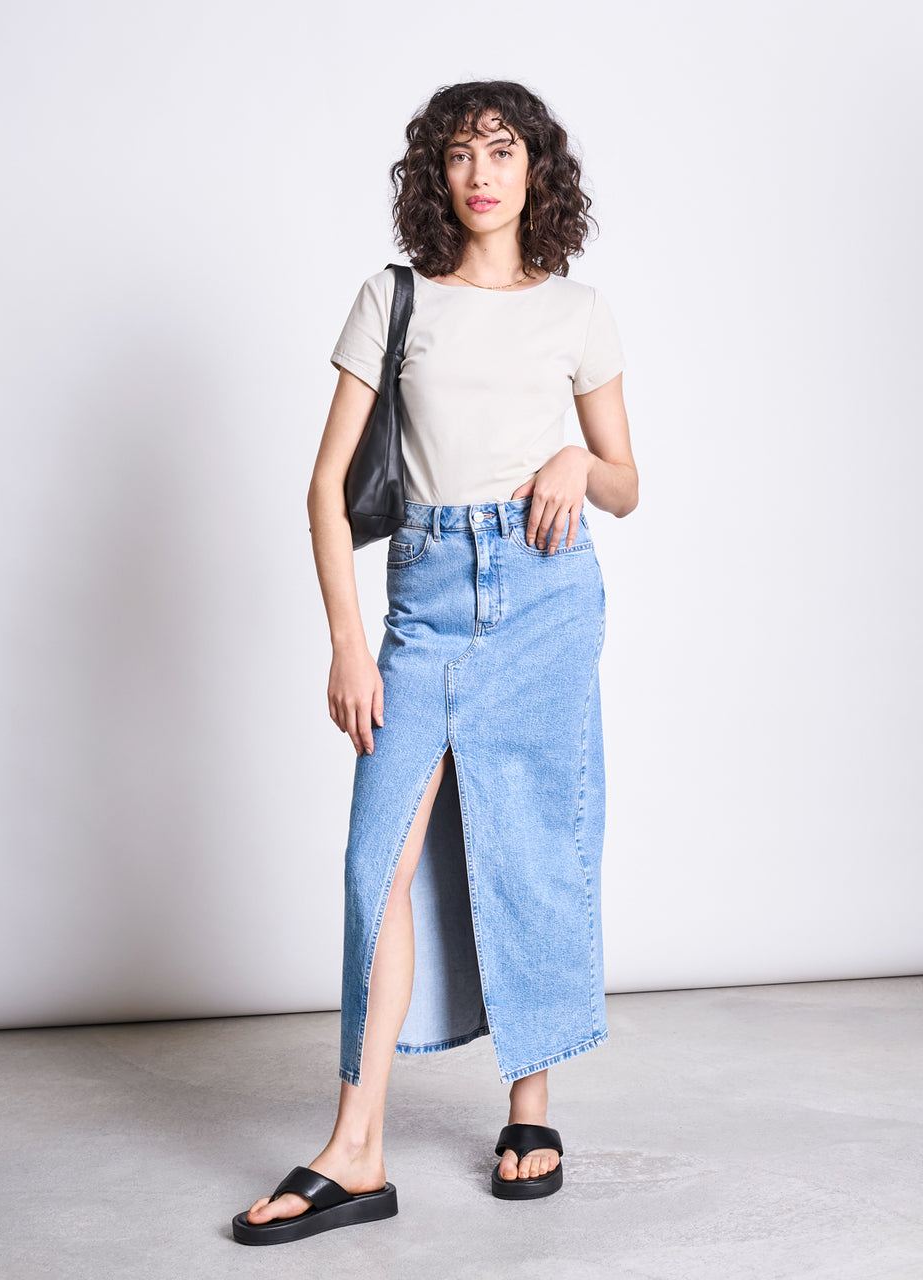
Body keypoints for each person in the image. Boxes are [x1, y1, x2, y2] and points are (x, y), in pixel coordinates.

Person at [232, 79, 637, 1246]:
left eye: (502, 150)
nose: (481, 171)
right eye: (460, 153)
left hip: (545, 594)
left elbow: (625, 480)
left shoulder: (579, 308)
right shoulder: (391, 297)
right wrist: (348, 639)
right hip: (420, 602)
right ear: (437, 176)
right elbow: (324, 486)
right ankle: (356, 1147)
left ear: (534, 171)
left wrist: (573, 460)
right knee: (379, 864)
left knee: (534, 846)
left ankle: (532, 1105)